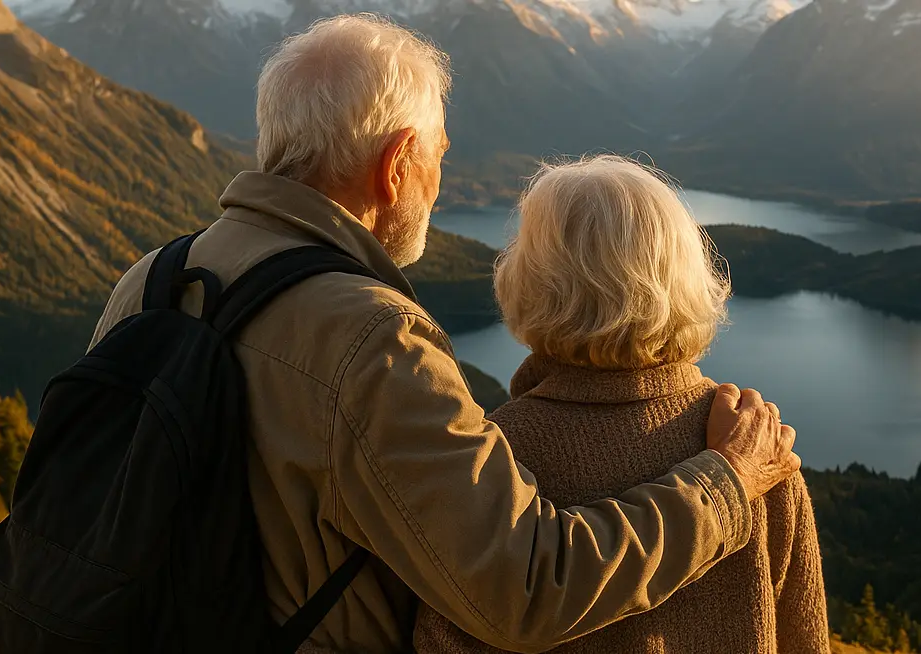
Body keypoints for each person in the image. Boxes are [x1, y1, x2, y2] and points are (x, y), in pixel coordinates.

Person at [85, 14, 802, 654]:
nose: (438, 180)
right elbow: (523, 591)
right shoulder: (373, 340)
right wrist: (728, 482)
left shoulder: (151, 280)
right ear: (397, 164)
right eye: (438, 156)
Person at [412, 156, 830, 654]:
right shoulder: (757, 449)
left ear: (528, 281)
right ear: (687, 277)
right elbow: (804, 637)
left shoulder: (491, 459)